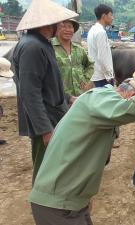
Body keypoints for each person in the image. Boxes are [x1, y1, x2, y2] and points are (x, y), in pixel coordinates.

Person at [29, 65, 135, 225]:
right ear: (132, 95)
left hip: (69, 202)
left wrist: (83, 198)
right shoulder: (100, 98)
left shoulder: (98, 105)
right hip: (59, 205)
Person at [12, 0, 78, 183]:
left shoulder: (42, 43)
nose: (62, 26)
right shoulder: (32, 47)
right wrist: (45, 130)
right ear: (49, 24)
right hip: (46, 120)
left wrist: (68, 97)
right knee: (45, 167)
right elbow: (30, 93)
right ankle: (42, 205)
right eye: (60, 23)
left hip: (52, 114)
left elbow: (48, 83)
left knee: (54, 164)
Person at [53, 19, 94, 96]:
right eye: (64, 27)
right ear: (57, 28)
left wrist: (85, 79)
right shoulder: (50, 48)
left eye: (70, 27)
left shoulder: (79, 49)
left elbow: (90, 65)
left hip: (79, 95)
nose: (67, 30)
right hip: (60, 98)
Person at [87, 4, 115, 88]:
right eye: (110, 15)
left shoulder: (93, 30)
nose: (112, 18)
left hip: (96, 75)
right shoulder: (101, 32)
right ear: (104, 16)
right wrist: (109, 75)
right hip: (103, 77)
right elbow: (102, 56)